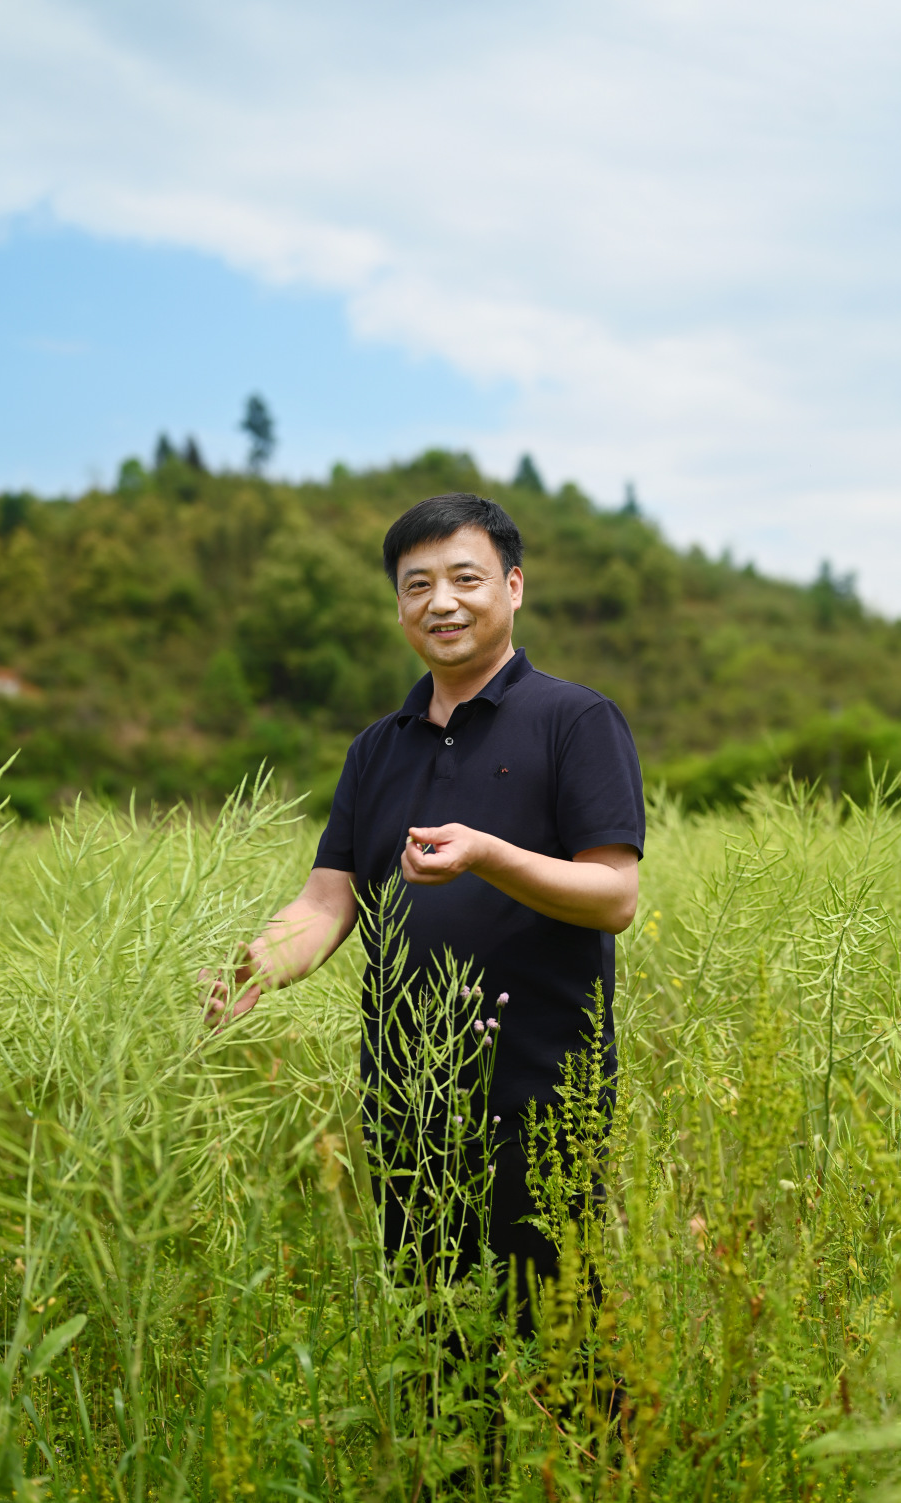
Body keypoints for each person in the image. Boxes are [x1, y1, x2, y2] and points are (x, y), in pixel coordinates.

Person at [202, 491, 644, 1327]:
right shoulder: (378, 746)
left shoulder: (575, 720)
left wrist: (486, 854)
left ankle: (574, 1461)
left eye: (465, 578)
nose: (441, 602)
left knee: (556, 1332)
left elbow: (614, 895)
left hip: (546, 1092)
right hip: (407, 1088)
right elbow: (329, 898)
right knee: (434, 1331)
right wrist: (257, 962)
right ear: (399, 604)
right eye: (417, 585)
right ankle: (455, 1466)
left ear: (513, 587)